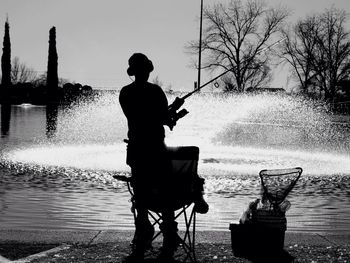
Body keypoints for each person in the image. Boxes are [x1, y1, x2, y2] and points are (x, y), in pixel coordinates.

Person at [119, 53, 208, 261]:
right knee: (167, 187)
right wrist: (173, 113)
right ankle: (170, 231)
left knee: (141, 191)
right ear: (148, 70)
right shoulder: (155, 92)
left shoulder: (125, 93)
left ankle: (143, 229)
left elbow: (138, 117)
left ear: (132, 72)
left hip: (137, 151)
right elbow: (163, 120)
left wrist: (168, 114)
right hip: (157, 150)